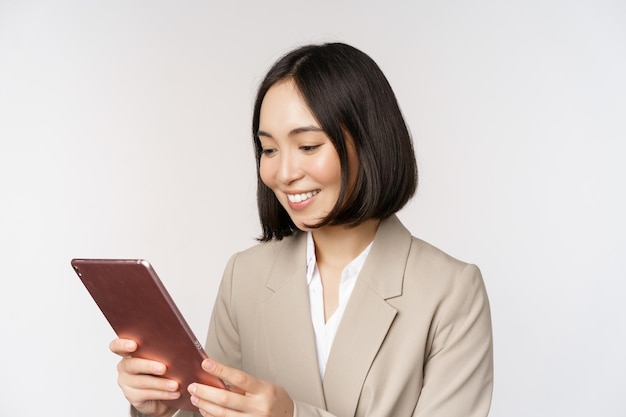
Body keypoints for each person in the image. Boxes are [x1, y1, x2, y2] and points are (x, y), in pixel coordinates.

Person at [110, 42, 493, 417]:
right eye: (270, 150)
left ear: (370, 142)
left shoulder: (450, 291)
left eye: (308, 146)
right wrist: (160, 410)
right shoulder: (245, 276)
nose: (285, 173)